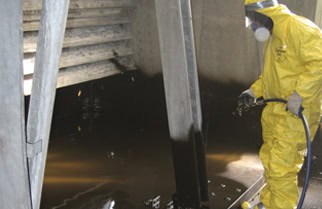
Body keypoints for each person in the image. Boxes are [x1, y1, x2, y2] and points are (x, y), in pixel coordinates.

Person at [238, 0, 322, 208]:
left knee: (281, 167)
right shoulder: (275, 37)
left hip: (297, 113)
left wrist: (299, 95)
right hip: (276, 111)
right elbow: (271, 76)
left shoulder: (299, 28)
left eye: (254, 21)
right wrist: (252, 92)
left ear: (264, 14)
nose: (254, 27)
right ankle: (270, 203)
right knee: (269, 160)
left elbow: (319, 64)